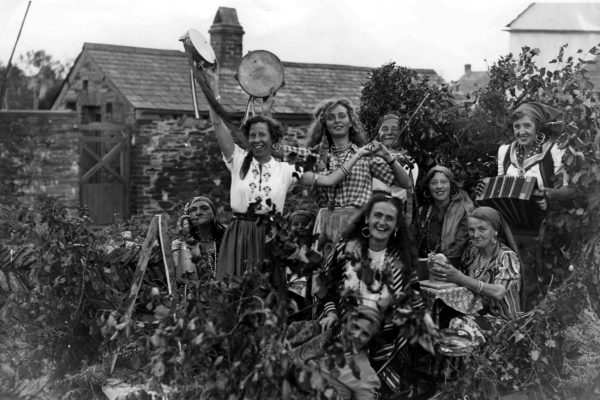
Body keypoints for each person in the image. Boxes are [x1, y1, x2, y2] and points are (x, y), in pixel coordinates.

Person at [194, 68, 382, 279]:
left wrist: (360, 156)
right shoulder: (237, 159)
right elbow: (218, 123)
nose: (257, 140)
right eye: (252, 135)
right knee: (233, 289)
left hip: (270, 234)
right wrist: (212, 88)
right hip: (239, 234)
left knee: (269, 290)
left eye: (262, 136)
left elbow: (330, 180)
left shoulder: (287, 170)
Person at [315, 194, 424, 395]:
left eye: (389, 218)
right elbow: (326, 286)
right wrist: (331, 313)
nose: (382, 222)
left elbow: (415, 303)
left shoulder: (404, 259)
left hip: (385, 338)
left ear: (397, 226)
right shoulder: (345, 248)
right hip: (343, 329)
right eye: (378, 215)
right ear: (367, 218)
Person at [278, 98, 412, 254]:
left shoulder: (365, 156)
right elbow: (273, 149)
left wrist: (388, 157)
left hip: (358, 223)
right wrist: (263, 113)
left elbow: (406, 183)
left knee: (355, 273)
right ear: (324, 124)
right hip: (327, 224)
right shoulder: (313, 156)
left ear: (351, 122)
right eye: (331, 117)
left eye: (342, 116)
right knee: (327, 273)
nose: (337, 121)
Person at [496, 102, 572, 309]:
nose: (521, 132)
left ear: (537, 126)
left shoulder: (554, 150)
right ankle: (511, 321)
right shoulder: (505, 152)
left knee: (538, 284)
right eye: (516, 126)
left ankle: (532, 326)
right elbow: (500, 187)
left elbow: (570, 189)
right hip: (512, 228)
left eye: (526, 126)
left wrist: (551, 193)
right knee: (511, 279)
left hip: (543, 227)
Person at [428, 206, 521, 335]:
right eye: (471, 230)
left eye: (482, 229)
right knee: (437, 315)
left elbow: (499, 291)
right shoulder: (472, 251)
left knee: (459, 325)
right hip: (476, 311)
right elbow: (462, 280)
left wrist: (460, 277)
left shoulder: (506, 256)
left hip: (502, 320)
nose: (475, 235)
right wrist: (442, 263)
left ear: (495, 231)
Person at [413, 165, 474, 269]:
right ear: (429, 187)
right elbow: (411, 242)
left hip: (454, 270)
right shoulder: (422, 212)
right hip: (422, 269)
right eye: (434, 183)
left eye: (443, 182)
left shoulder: (463, 212)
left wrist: (437, 260)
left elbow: (460, 246)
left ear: (451, 185)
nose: (439, 186)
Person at [371, 113, 419, 224]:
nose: (389, 132)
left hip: (394, 219)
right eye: (385, 128)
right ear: (378, 133)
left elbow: (403, 184)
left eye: (395, 129)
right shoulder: (370, 157)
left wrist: (391, 159)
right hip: (368, 215)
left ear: (402, 133)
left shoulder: (409, 162)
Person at [171, 196, 226, 279]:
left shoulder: (227, 238)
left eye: (204, 208)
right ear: (187, 216)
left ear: (214, 213)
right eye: (193, 210)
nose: (199, 212)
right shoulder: (180, 244)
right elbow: (182, 278)